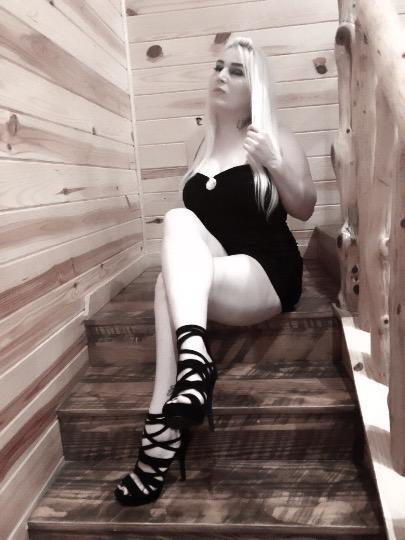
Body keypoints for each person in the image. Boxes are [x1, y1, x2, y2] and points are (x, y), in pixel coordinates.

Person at [114, 36, 317, 506]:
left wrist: (273, 161)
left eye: (237, 71)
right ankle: (193, 368)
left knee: (166, 285)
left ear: (255, 87)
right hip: (218, 264)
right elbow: (197, 229)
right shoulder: (197, 144)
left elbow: (305, 208)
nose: (222, 76)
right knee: (178, 220)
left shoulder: (274, 137)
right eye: (219, 67)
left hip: (267, 271)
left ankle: (159, 435)